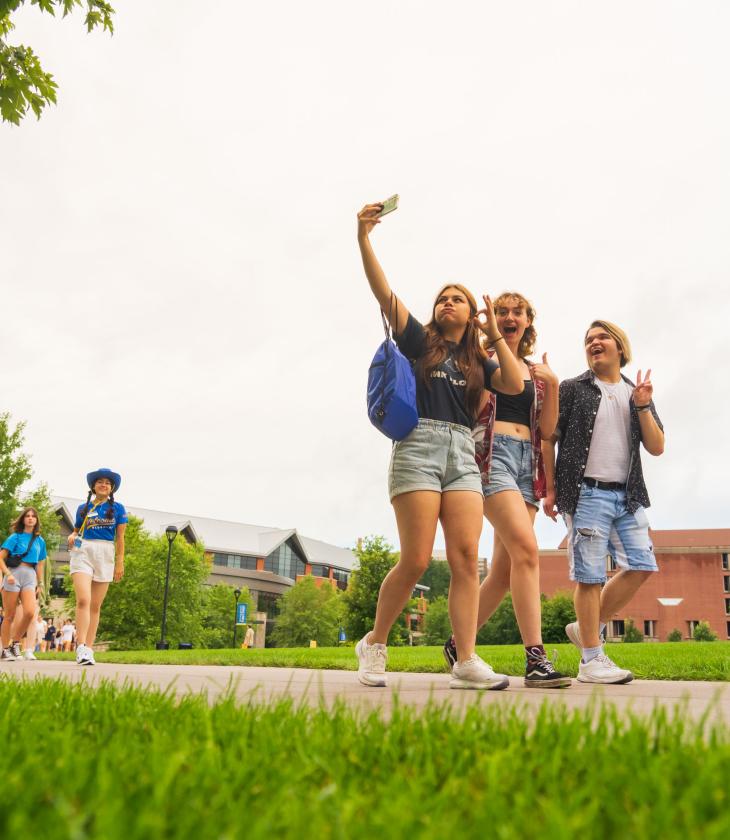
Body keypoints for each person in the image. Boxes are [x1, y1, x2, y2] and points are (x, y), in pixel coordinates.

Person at [355, 201, 524, 689]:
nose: (447, 303)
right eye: (442, 298)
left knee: (467, 557)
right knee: (414, 558)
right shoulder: (419, 342)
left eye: (458, 299)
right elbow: (383, 294)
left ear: (471, 314)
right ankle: (375, 644)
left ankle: (466, 659)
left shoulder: (479, 360)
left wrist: (494, 334)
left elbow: (513, 384)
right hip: (419, 446)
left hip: (462, 455)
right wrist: (364, 238)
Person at [442, 291, 571, 688]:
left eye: (517, 312)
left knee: (502, 571)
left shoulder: (537, 371)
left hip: (527, 466)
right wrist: (488, 344)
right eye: (501, 311)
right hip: (491, 455)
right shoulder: (481, 361)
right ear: (491, 319)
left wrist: (553, 387)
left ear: (529, 320)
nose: (509, 316)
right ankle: (536, 659)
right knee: (527, 550)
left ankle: (456, 644)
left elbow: (546, 432)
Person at [543, 320, 664, 683]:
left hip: (628, 495)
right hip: (585, 491)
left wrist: (643, 406)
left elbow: (657, 446)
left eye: (602, 337)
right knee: (590, 575)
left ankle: (585, 630)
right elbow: (549, 437)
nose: (594, 343)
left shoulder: (635, 392)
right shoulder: (572, 388)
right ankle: (591, 660)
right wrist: (550, 489)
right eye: (588, 340)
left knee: (642, 565)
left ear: (619, 348)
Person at [67, 468, 128, 665]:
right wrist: (71, 536)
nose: (104, 485)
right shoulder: (83, 508)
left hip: (106, 553)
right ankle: (81, 646)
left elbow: (120, 538)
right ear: (93, 486)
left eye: (108, 483)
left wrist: (119, 562)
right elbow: (76, 531)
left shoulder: (118, 509)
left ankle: (89, 651)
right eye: (100, 482)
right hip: (83, 551)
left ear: (112, 489)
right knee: (83, 599)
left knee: (95, 605)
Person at [0, 507, 47, 661]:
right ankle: (5, 649)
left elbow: (40, 564)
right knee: (10, 616)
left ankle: (15, 643)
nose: (30, 518)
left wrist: (40, 584)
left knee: (29, 612)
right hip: (14, 574)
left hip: (30, 576)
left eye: (33, 516)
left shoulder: (40, 541)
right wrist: (8, 574)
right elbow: (1, 558)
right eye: (27, 516)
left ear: (36, 520)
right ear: (23, 519)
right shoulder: (15, 537)